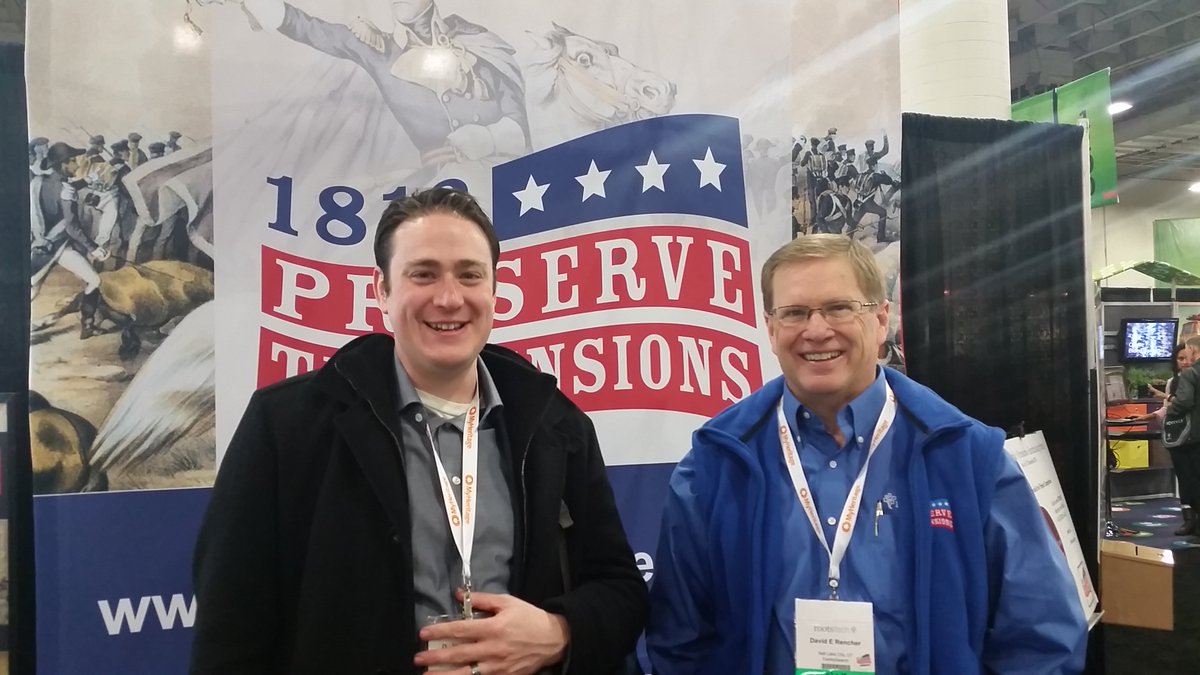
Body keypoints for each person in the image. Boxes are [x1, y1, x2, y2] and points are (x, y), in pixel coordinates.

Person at [191, 188, 647, 675]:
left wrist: (560, 633)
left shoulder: (557, 426)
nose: (449, 298)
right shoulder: (288, 426)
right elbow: (230, 626)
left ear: (495, 290)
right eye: (423, 274)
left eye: (470, 275)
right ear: (382, 290)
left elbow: (620, 589)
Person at [646, 234, 1086, 674]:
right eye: (795, 312)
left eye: (839, 308)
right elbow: (679, 642)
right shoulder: (714, 467)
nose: (816, 330)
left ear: (881, 319)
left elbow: (1042, 637)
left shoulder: (968, 460)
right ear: (771, 328)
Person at [1164, 337, 1200, 536]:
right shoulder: (1175, 380)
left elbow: (1184, 402)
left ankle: (1191, 522)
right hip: (1189, 436)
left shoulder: (1189, 375)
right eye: (1181, 357)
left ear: (1194, 350)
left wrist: (1171, 406)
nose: (1186, 360)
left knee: (1188, 480)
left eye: (1188, 353)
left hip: (1189, 437)